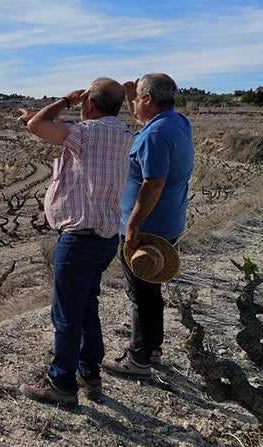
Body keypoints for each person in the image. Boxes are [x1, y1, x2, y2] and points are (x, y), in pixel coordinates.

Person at [16, 78, 134, 406]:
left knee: (66, 313)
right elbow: (42, 126)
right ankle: (89, 374)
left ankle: (62, 384)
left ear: (90, 105)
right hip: (105, 238)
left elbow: (40, 126)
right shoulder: (123, 135)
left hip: (79, 239)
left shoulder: (86, 133)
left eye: (84, 102)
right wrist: (36, 118)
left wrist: (65, 100)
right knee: (86, 308)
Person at [102, 73, 195, 379]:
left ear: (149, 99)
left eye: (138, 97)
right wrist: (132, 91)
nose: (133, 105)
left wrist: (132, 225)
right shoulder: (176, 122)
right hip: (168, 223)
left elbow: (153, 184)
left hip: (147, 228)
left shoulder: (154, 136)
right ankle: (152, 347)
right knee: (151, 286)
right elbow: (143, 117)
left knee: (140, 292)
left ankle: (138, 359)